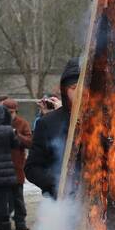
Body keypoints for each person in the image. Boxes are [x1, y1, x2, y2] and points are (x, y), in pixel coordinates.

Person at [25, 59, 80, 198]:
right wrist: (57, 182)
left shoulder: (104, 122)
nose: (80, 92)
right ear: (65, 90)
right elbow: (32, 168)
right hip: (60, 205)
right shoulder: (48, 123)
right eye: (74, 88)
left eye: (84, 87)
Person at [3, 98, 34, 230]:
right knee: (2, 197)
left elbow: (30, 142)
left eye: (11, 112)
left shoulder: (22, 123)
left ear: (16, 111)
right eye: (7, 112)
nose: (9, 114)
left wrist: (17, 135)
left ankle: (20, 221)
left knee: (18, 197)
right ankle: (2, 222)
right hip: (2, 166)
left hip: (16, 165)